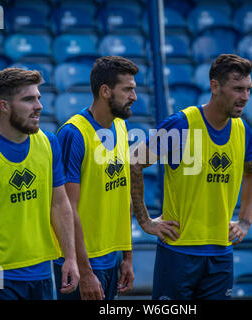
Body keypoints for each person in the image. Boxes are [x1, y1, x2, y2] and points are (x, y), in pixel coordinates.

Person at [130, 54, 252, 300]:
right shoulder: (181, 124)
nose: (245, 97)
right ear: (215, 86)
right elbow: (134, 162)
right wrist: (145, 221)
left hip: (221, 254)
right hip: (179, 251)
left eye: (248, 90)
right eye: (237, 89)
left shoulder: (242, 130)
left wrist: (244, 221)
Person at [55, 56, 178, 300]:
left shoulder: (119, 126)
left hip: (112, 260)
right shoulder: (74, 134)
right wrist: (86, 271)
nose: (134, 96)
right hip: (83, 265)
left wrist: (127, 257)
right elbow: (68, 209)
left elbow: (123, 198)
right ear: (105, 91)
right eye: (128, 90)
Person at [0, 68, 79, 300]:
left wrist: (70, 258)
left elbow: (60, 205)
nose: (39, 106)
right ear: (4, 106)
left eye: (39, 98)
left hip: (41, 269)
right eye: (29, 99)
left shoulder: (49, 143)